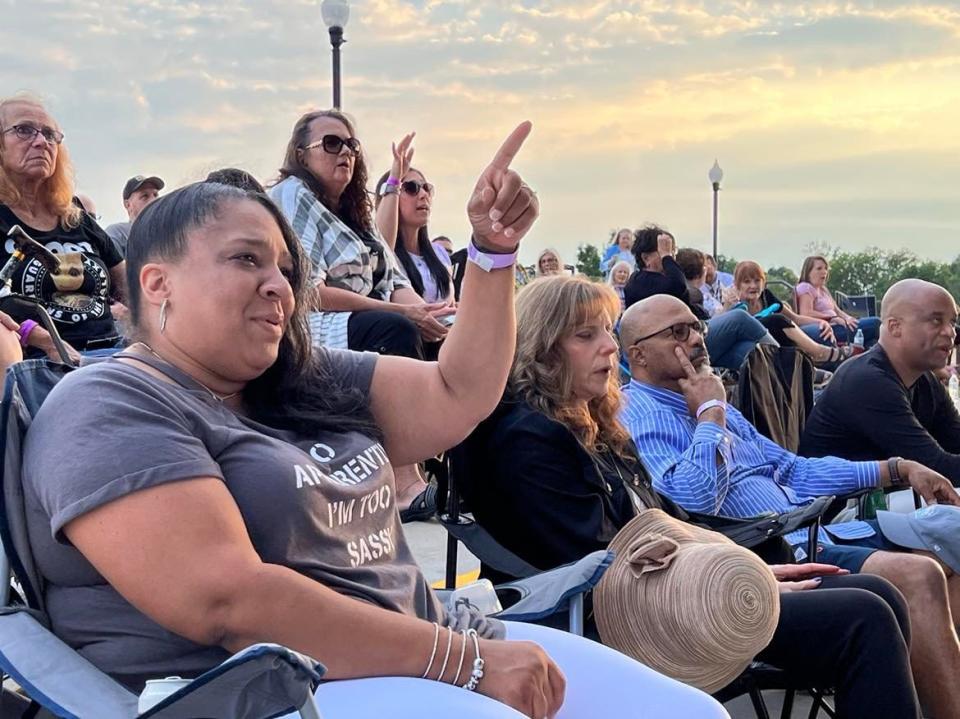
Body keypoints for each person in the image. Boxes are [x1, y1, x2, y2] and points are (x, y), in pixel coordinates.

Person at [20, 130, 727, 719]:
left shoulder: (299, 377)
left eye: (287, 268)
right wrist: (467, 663)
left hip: (425, 647)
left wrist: (490, 254)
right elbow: (228, 598)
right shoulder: (111, 404)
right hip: (264, 691)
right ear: (157, 283)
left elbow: (460, 390)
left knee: (691, 712)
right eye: (245, 259)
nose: (279, 285)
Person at [464, 275, 918, 718]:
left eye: (607, 330)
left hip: (673, 585)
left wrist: (751, 568)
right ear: (543, 350)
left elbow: (669, 519)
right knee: (864, 617)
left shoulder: (592, 422)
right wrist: (735, 575)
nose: (609, 346)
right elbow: (598, 560)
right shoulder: (530, 440)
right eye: (587, 335)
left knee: (879, 593)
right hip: (630, 618)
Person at [619, 293, 960, 717]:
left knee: (943, 558)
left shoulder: (711, 400)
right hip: (755, 552)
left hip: (805, 530)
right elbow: (691, 499)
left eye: (697, 327)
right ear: (639, 355)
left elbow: (792, 470)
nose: (697, 339)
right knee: (920, 572)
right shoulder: (643, 413)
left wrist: (896, 469)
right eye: (678, 332)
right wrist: (709, 413)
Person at [268, 110, 450, 519]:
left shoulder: (356, 216)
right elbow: (307, 292)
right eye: (331, 143)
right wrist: (403, 314)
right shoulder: (294, 196)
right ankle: (404, 482)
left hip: (361, 320)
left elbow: (396, 284)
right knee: (394, 328)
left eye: (351, 144)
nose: (345, 152)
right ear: (301, 154)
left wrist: (434, 313)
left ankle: (468, 475)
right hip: (310, 327)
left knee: (453, 337)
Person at [801, 279, 960, 483]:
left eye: (952, 322)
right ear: (895, 327)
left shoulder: (925, 379)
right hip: (839, 507)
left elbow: (954, 441)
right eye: (936, 320)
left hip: (883, 499)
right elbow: (938, 468)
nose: (950, 332)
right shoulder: (868, 381)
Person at [0, 96, 126, 352]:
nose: (41, 142)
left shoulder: (75, 215)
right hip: (34, 363)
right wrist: (44, 341)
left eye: (49, 134)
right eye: (24, 130)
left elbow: (133, 287)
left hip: (111, 354)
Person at [623, 228, 776, 370]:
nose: (671, 256)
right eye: (664, 250)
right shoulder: (639, 282)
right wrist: (667, 257)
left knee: (751, 352)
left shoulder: (660, 280)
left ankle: (783, 378)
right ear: (646, 257)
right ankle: (787, 360)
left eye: (671, 250)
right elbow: (677, 286)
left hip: (692, 337)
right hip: (676, 345)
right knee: (740, 318)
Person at [732, 260, 848, 367]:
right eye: (746, 282)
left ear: (763, 282)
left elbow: (794, 318)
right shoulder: (735, 304)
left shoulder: (766, 297)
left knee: (821, 331)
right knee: (776, 320)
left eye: (757, 280)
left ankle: (836, 372)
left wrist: (822, 322)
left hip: (777, 340)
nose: (753, 286)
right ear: (737, 285)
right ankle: (819, 353)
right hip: (753, 342)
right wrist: (728, 306)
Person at [374, 167, 454, 304]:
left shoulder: (440, 253)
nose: (423, 195)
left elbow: (451, 302)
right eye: (412, 188)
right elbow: (382, 247)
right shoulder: (381, 257)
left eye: (426, 188)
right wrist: (393, 182)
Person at [795, 255, 880, 347]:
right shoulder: (805, 287)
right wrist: (832, 318)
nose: (824, 272)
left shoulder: (823, 290)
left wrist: (848, 318)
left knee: (872, 341)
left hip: (840, 325)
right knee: (876, 324)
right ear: (808, 272)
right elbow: (806, 313)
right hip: (829, 328)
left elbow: (837, 310)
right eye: (819, 268)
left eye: (826, 268)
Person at [105, 174, 164, 257]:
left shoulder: (170, 232)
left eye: (155, 195)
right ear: (128, 205)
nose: (154, 200)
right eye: (145, 196)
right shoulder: (118, 233)